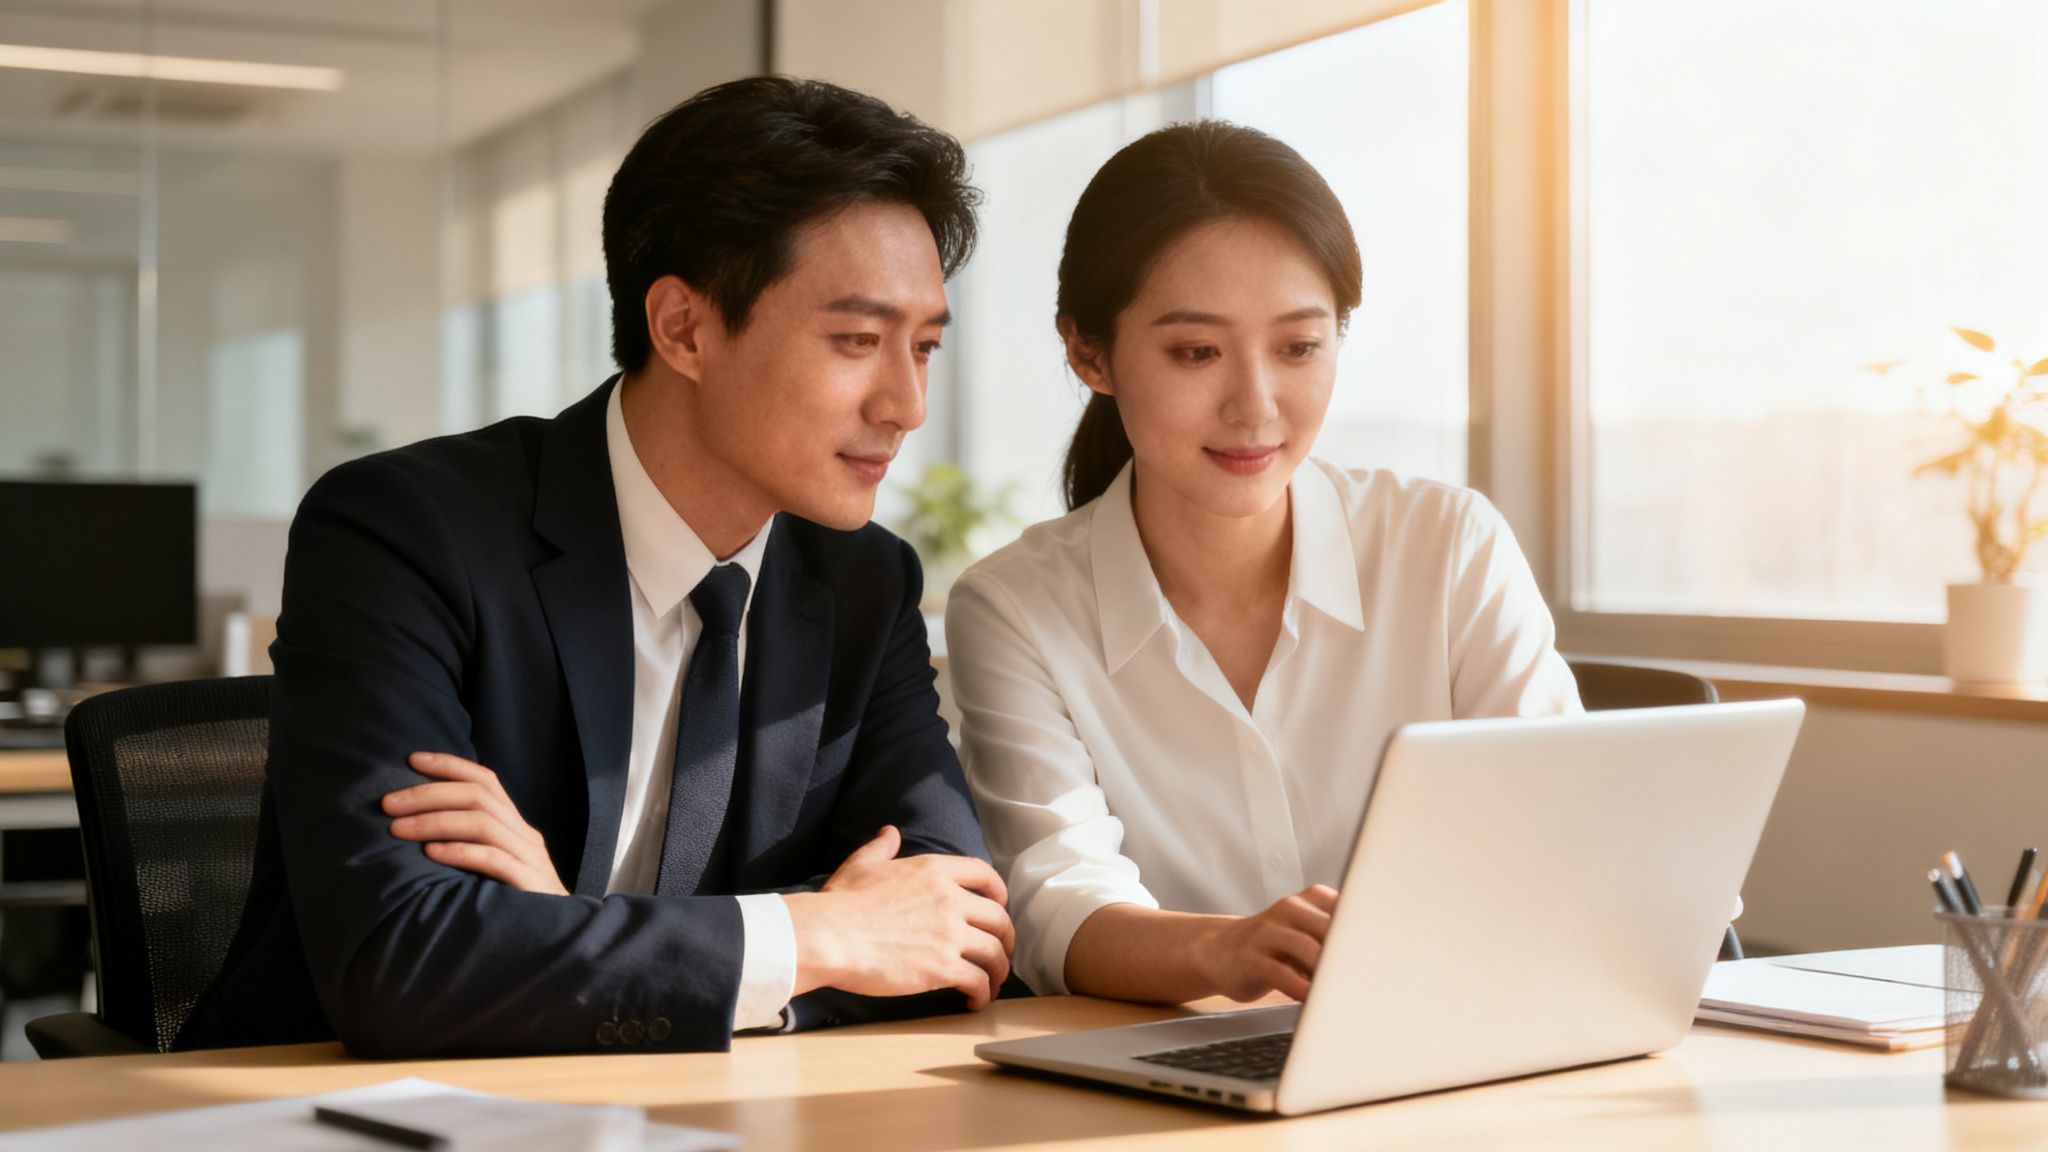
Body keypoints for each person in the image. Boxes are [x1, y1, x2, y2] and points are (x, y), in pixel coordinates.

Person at [179, 77, 1014, 1057]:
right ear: (682, 328)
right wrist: (817, 934)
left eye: (923, 347)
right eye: (858, 341)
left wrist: (562, 926)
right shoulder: (408, 532)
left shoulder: (865, 584)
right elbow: (401, 964)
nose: (906, 405)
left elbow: (955, 937)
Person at [945, 121, 1580, 1006]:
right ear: (1090, 353)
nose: (1256, 404)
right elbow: (1056, 905)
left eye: (1299, 348)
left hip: (1455, 1033)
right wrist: (1224, 952)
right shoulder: (1016, 608)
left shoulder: (1447, 545)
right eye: (1196, 352)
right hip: (1172, 1081)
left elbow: (1563, 833)